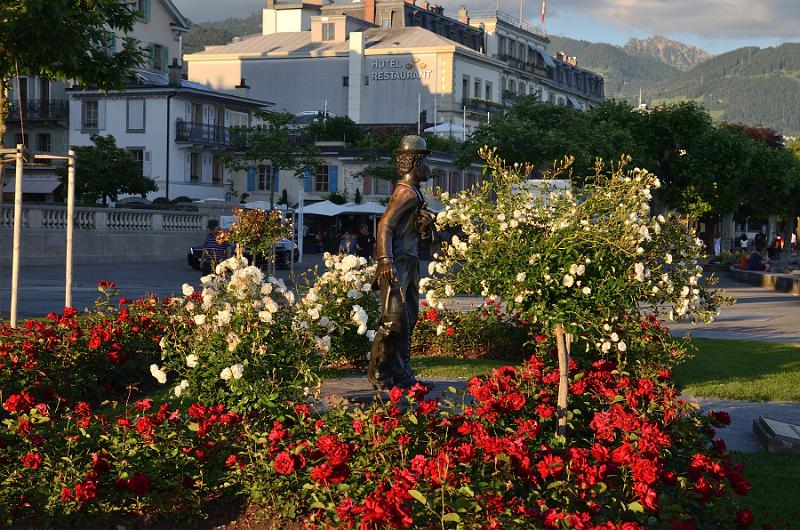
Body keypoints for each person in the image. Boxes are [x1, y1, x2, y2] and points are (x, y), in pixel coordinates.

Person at [368, 135, 434, 391]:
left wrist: (425, 229)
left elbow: (418, 238)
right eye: (425, 161)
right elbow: (385, 226)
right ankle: (381, 375)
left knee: (408, 319)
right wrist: (385, 261)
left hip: (408, 262)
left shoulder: (414, 192)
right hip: (395, 266)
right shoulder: (405, 193)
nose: (429, 168)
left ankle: (402, 373)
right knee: (393, 321)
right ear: (414, 163)